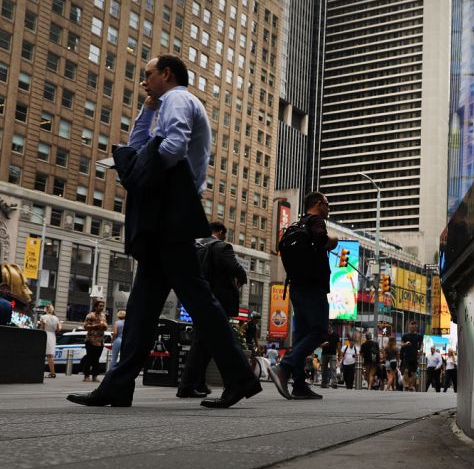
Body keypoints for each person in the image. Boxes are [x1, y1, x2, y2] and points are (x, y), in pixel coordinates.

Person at [67, 55, 259, 408]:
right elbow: (137, 146)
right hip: (166, 216)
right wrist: (145, 110)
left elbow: (172, 147)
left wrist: (139, 174)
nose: (144, 81)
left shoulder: (179, 99)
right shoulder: (165, 103)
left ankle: (241, 378)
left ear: (166, 74)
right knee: (141, 308)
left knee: (200, 301)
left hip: (171, 216)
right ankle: (118, 385)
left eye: (148, 75)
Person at [268, 192, 338, 400]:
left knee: (301, 335)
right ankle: (285, 367)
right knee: (319, 332)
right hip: (313, 288)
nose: (328, 208)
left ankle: (299, 384)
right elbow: (322, 239)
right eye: (327, 204)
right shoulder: (316, 221)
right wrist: (332, 240)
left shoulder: (298, 225)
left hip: (296, 288)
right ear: (318, 204)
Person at [178, 221, 248, 398]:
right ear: (221, 232)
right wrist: (242, 277)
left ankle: (197, 384)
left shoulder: (195, 247)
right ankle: (188, 386)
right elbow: (236, 268)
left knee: (205, 342)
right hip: (218, 301)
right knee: (207, 342)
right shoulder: (222, 247)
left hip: (198, 298)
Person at [82, 300, 108, 383]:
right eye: (100, 306)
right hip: (90, 340)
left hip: (100, 341)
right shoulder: (90, 315)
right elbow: (85, 327)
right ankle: (86, 376)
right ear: (96, 307)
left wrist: (104, 326)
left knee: (96, 359)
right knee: (89, 358)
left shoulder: (103, 316)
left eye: (102, 306)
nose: (102, 307)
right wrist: (96, 325)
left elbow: (105, 326)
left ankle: (95, 376)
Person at [39, 304, 61, 378]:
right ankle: (52, 372)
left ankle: (40, 372)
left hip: (45, 335)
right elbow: (58, 330)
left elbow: (42, 327)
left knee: (42, 354)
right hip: (52, 336)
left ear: (46, 309)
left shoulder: (43, 317)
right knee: (50, 356)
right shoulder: (56, 318)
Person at [400, 321, 423, 391]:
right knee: (406, 371)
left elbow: (422, 344)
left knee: (413, 372)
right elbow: (401, 344)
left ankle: (411, 386)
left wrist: (421, 350)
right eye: (411, 326)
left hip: (414, 356)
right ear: (409, 326)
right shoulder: (405, 335)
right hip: (406, 356)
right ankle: (406, 385)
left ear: (416, 327)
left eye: (414, 326)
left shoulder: (419, 336)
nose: (413, 328)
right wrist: (406, 344)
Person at [319, 323, 340, 389]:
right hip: (324, 354)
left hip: (333, 354)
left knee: (333, 368)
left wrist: (339, 354)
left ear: (331, 328)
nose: (328, 330)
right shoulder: (324, 335)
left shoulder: (336, 335)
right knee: (323, 369)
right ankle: (324, 383)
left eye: (329, 328)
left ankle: (334, 384)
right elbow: (319, 344)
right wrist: (323, 345)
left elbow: (338, 345)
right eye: (327, 328)